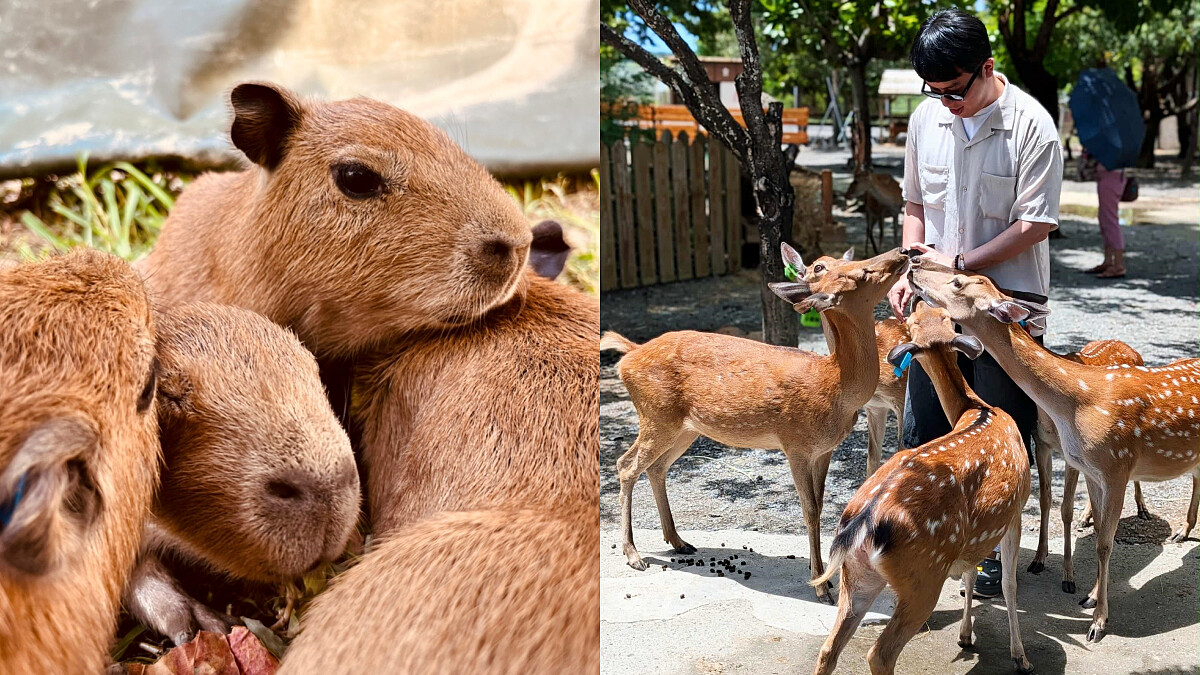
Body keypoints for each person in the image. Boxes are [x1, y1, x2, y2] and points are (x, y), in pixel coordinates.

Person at [890, 8, 1063, 599]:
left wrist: (961, 265)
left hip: (1004, 305)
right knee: (926, 423)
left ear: (986, 68)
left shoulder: (1033, 127)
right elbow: (915, 205)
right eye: (933, 91)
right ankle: (921, 542)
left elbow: (1036, 223)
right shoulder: (927, 119)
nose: (945, 103)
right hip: (935, 301)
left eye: (954, 90)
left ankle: (989, 550)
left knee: (999, 429)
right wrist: (911, 266)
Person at [1080, 148, 1129, 278]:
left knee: (1110, 220)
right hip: (1107, 176)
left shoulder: (1114, 143)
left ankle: (1118, 264)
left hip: (1111, 177)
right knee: (1104, 219)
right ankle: (1108, 261)